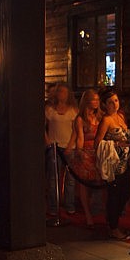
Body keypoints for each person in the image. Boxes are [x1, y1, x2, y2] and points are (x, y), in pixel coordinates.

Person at [94, 88, 130, 240]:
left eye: (116, 101)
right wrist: (116, 143)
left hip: (125, 162)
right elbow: (97, 142)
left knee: (126, 192)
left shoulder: (121, 117)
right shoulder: (106, 120)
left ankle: (113, 221)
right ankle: (113, 226)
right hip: (114, 162)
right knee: (115, 195)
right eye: (110, 102)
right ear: (104, 104)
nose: (114, 104)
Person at [70, 89, 103, 228]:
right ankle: (88, 215)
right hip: (87, 151)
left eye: (97, 99)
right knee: (84, 185)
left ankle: (98, 209)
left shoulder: (100, 116)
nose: (95, 102)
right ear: (86, 101)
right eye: (92, 99)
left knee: (100, 183)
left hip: (100, 151)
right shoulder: (80, 119)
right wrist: (80, 152)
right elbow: (80, 138)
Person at [44, 82, 77, 216]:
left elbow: (75, 129)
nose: (61, 94)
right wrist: (48, 142)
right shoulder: (50, 109)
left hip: (69, 147)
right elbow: (43, 126)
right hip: (54, 147)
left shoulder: (73, 110)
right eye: (59, 92)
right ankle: (53, 205)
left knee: (70, 179)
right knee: (53, 178)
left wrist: (70, 145)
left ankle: (69, 204)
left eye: (64, 92)